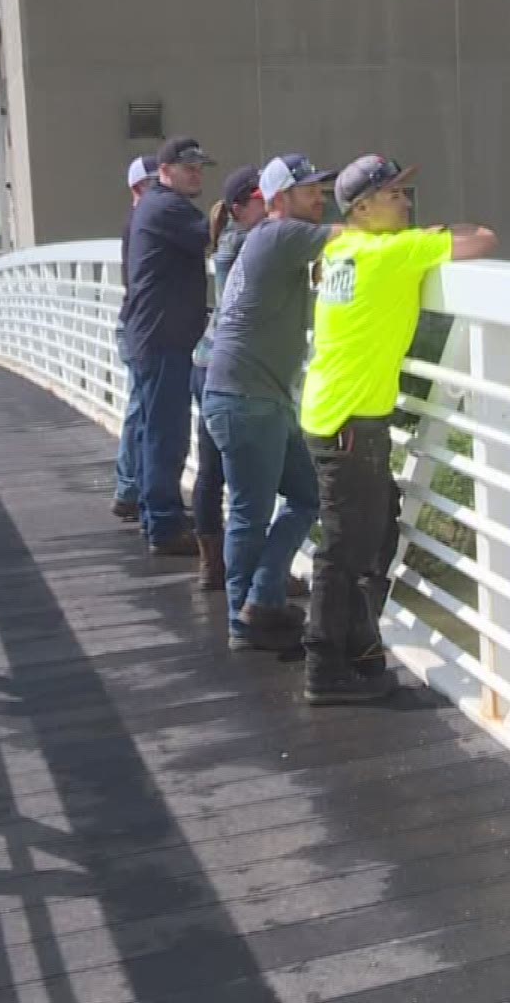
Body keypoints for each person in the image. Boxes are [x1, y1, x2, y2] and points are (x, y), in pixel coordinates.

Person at [298, 154, 496, 705]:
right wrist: (432, 233)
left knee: (374, 533)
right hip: (351, 421)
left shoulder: (340, 250)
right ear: (361, 207)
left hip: (336, 412)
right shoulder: (392, 253)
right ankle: (324, 670)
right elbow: (483, 238)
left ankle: (360, 649)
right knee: (344, 549)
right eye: (394, 195)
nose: (407, 204)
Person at [203, 154, 341, 651]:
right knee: (249, 512)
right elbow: (353, 239)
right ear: (279, 199)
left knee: (306, 497)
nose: (320, 198)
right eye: (311, 191)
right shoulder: (281, 233)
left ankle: (261, 598)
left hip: (260, 397)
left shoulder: (274, 239)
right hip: (245, 399)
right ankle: (247, 617)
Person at [122, 135, 215, 557]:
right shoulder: (168, 207)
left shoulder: (152, 206)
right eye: (188, 167)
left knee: (150, 430)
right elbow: (210, 235)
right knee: (166, 434)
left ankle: (154, 514)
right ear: (164, 172)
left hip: (151, 335)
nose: (196, 174)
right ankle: (163, 525)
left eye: (199, 167)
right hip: (163, 338)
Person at [191, 164, 266, 590]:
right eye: (262, 200)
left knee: (211, 470)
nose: (270, 207)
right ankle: (249, 576)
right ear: (239, 208)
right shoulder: (248, 243)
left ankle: (212, 565)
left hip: (204, 361)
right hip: (230, 370)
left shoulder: (229, 241)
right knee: (244, 474)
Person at [111, 154, 159, 523]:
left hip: (133, 324)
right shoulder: (144, 222)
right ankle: (130, 489)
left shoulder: (139, 221)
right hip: (139, 326)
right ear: (136, 188)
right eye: (153, 182)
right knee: (141, 410)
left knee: (138, 408)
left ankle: (131, 487)